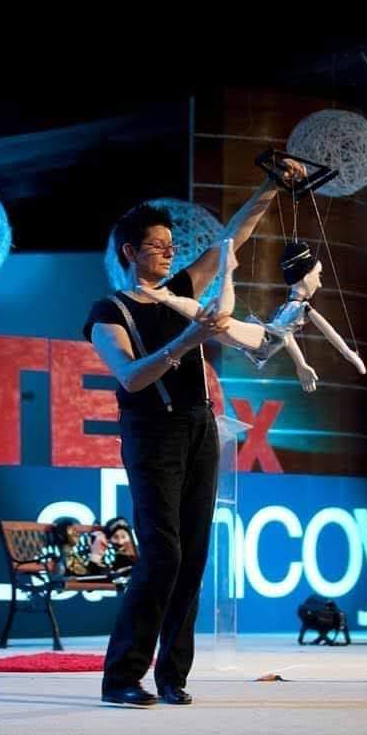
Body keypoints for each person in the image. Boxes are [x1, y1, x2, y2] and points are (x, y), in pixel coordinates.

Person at [83, 160, 306, 706]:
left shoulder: (181, 290)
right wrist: (186, 341)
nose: (168, 252)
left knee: (194, 555)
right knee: (163, 554)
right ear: (130, 251)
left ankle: (172, 676)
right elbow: (132, 376)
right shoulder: (110, 311)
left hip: (201, 428)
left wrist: (272, 185)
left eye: (170, 245)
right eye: (156, 246)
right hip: (152, 433)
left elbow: (233, 237)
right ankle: (121, 678)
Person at [137, 238, 367, 392]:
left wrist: (302, 364)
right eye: (318, 275)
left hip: (264, 340)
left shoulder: (291, 308)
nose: (320, 282)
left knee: (210, 321)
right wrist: (349, 355)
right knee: (220, 318)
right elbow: (327, 333)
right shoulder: (301, 308)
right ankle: (227, 271)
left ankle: (168, 297)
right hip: (263, 338)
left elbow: (287, 336)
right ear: (306, 277)